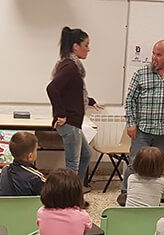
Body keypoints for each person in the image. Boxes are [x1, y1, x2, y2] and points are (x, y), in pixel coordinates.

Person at [120, 40, 164, 204]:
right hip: (142, 129)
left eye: (159, 54)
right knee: (135, 164)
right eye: (153, 53)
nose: (154, 57)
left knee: (157, 166)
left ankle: (153, 196)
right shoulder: (141, 73)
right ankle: (126, 194)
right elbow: (130, 100)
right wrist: (131, 123)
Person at [46, 27, 101, 186]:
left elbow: (71, 92)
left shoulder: (69, 65)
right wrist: (60, 114)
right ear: (76, 46)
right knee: (72, 165)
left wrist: (90, 101)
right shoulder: (70, 67)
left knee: (86, 155)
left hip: (73, 123)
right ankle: (69, 196)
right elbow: (52, 89)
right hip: (70, 123)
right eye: (86, 45)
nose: (88, 49)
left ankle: (77, 190)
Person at [0, 131, 46, 235]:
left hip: (3, 222)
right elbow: (46, 197)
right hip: (26, 226)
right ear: (30, 156)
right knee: (28, 212)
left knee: (19, 210)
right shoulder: (36, 176)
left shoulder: (4, 170)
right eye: (36, 150)